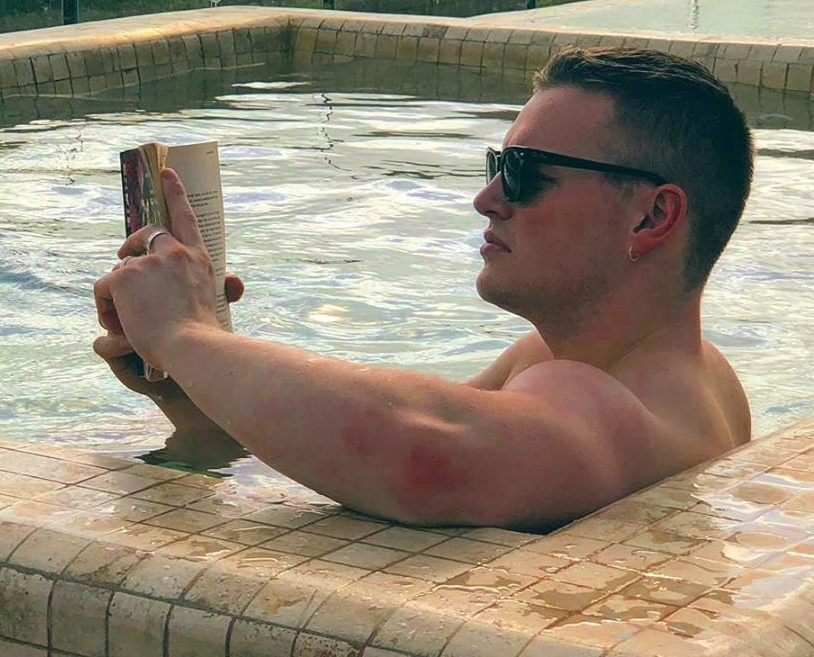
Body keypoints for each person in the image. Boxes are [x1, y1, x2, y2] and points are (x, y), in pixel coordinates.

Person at [93, 46, 754, 531]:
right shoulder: (673, 374)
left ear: (652, 217)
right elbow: (354, 463)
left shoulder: (604, 402)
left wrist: (184, 333)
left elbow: (419, 458)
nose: (486, 198)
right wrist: (192, 394)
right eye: (496, 164)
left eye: (524, 172)